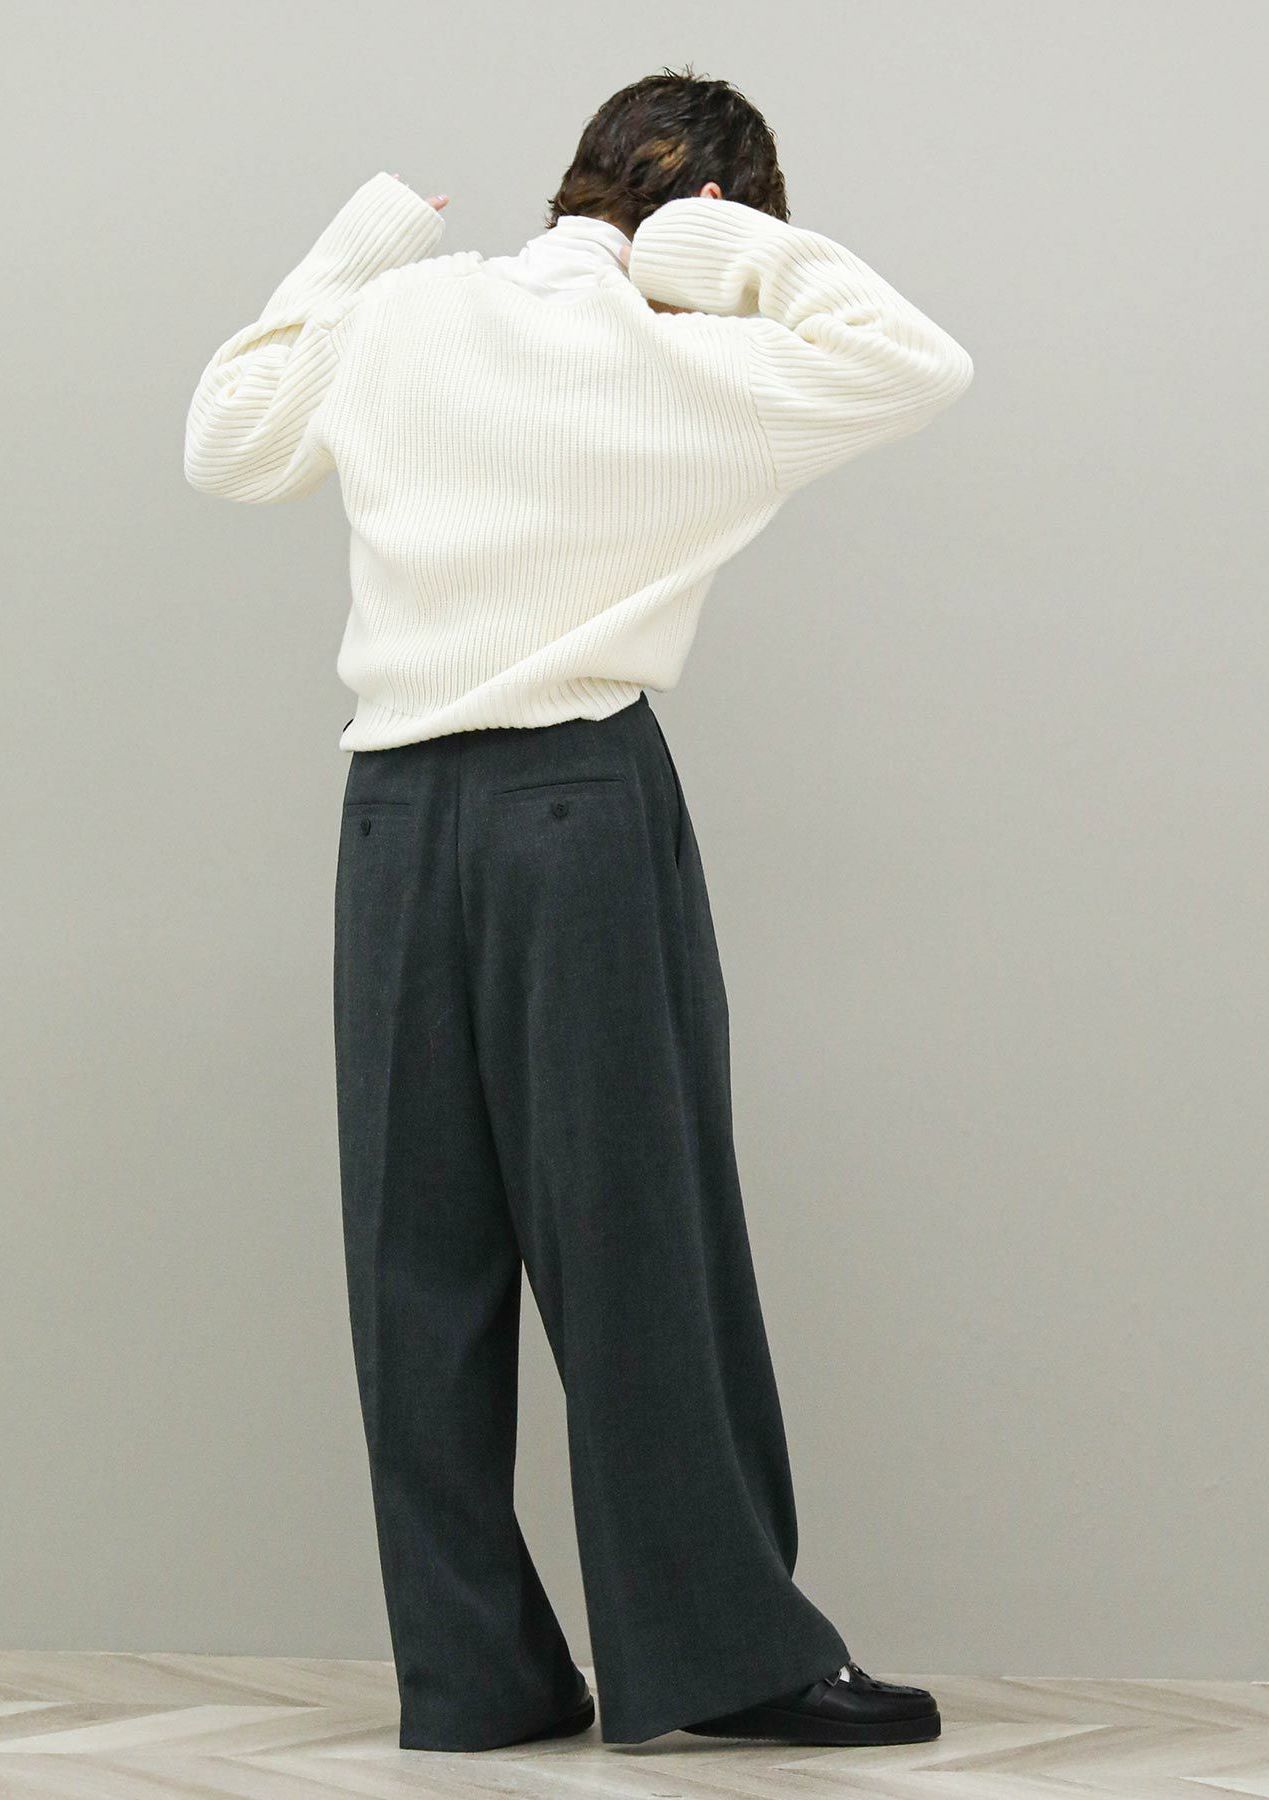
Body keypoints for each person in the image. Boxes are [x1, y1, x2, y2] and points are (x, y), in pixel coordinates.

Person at [183, 66, 972, 1754]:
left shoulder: (399, 320)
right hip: (579, 810)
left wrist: (347, 254)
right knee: (641, 1237)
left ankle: (476, 1680)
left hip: (393, 821)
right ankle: (721, 1658)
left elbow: (227, 444)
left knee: (416, 1263)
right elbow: (918, 363)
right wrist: (734, 261)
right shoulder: (686, 360)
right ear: (714, 213)